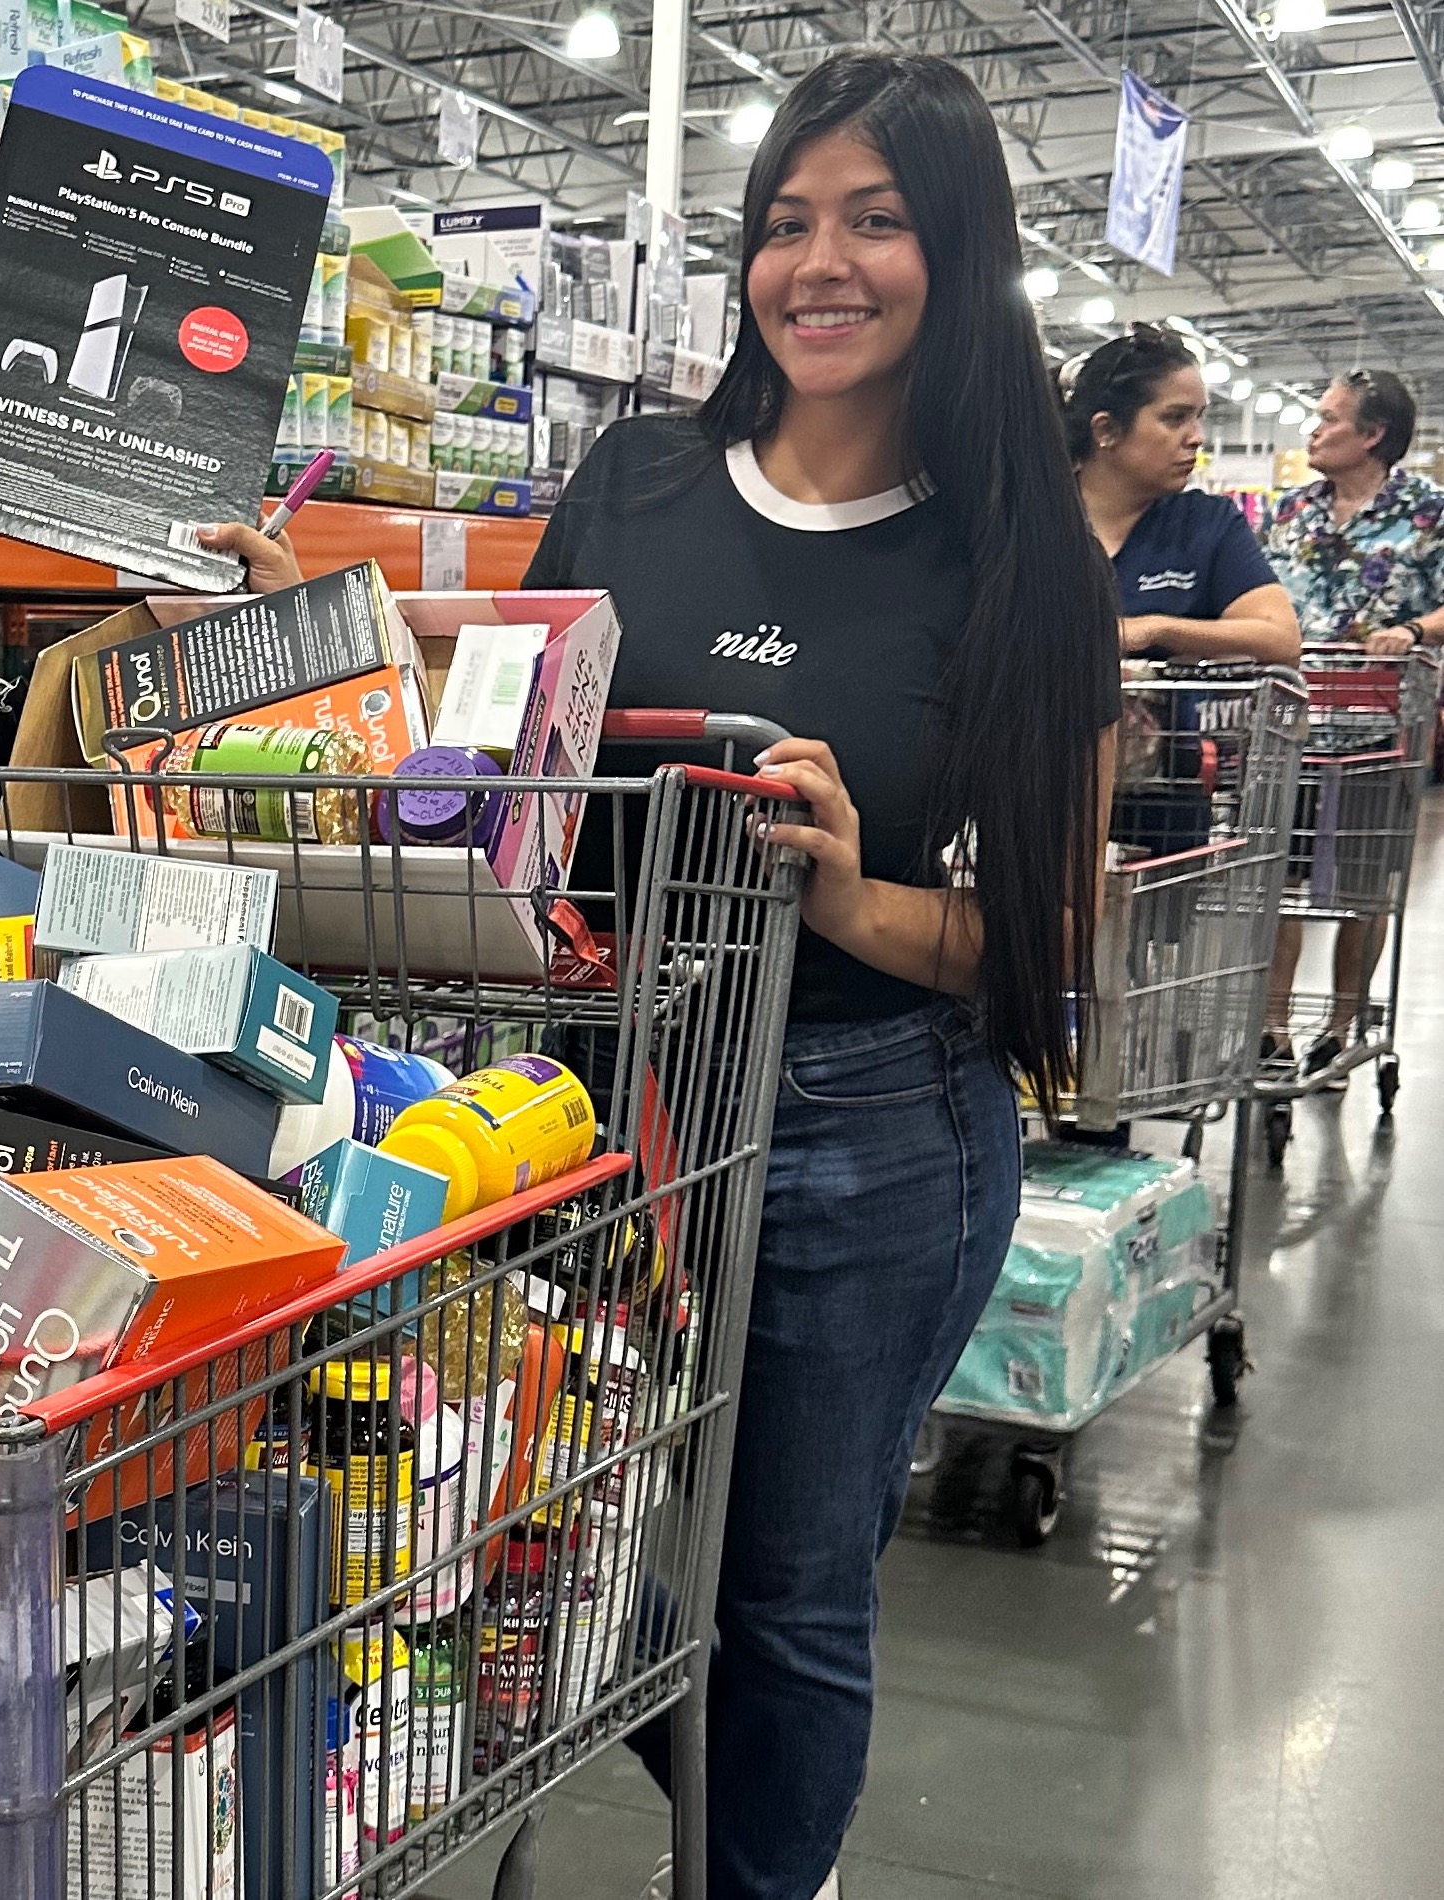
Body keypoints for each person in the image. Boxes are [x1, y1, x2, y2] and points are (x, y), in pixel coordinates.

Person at [211, 51, 1119, 1899]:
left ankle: (759, 1874)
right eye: (786, 222)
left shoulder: (1021, 564)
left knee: (781, 1592)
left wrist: (854, 896)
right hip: (592, 1105)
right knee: (547, 1529)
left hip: (863, 1130)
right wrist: (312, 662)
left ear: (955, 252)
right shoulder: (634, 483)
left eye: (874, 221)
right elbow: (505, 769)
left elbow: (1046, 943)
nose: (819, 264)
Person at [1261, 368, 1444, 1068]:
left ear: (1372, 435)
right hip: (1289, 727)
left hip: (1381, 732)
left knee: (1363, 889)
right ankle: (1272, 1030)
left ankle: (1341, 1029)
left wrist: (1416, 631)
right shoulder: (1289, 512)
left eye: (1329, 419)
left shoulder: (1428, 512)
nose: (1313, 431)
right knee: (1277, 882)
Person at [1062, 325, 1298, 665]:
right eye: (1175, 418)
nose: (1197, 438)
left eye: (1198, 417)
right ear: (1106, 430)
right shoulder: (1033, 522)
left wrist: (1156, 629)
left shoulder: (1208, 523)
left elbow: (1281, 640)